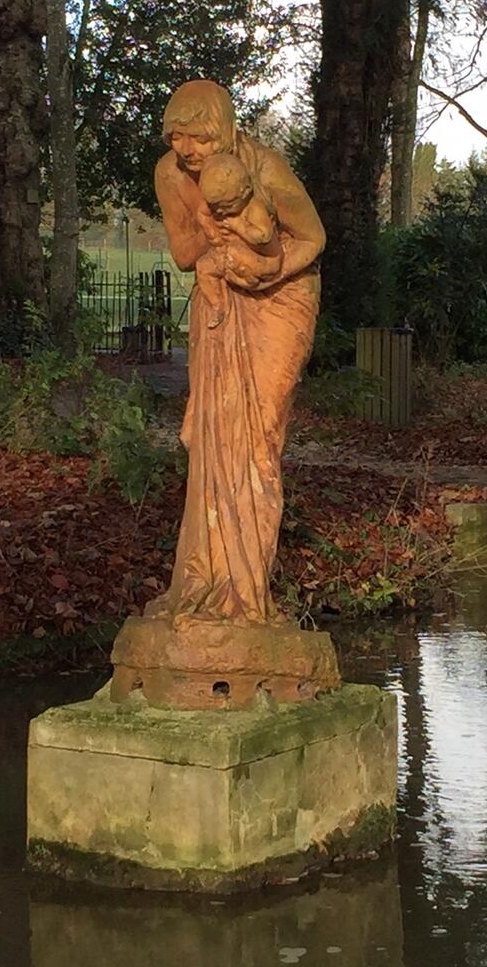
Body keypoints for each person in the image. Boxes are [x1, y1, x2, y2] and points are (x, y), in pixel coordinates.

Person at [148, 79, 326, 625]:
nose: (187, 150)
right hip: (219, 296)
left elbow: (313, 238)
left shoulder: (264, 168)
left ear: (223, 129)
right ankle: (208, 579)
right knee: (216, 437)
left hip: (281, 300)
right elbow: (182, 253)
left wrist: (264, 268)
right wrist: (215, 236)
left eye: (198, 138)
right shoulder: (170, 176)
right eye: (177, 138)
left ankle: (248, 589)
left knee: (258, 438)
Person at [192, 152, 283, 329]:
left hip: (264, 260)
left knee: (232, 254)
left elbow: (263, 236)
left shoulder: (254, 207)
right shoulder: (219, 205)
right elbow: (201, 214)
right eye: (216, 206)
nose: (221, 211)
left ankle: (250, 280)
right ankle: (218, 306)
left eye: (228, 206)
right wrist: (216, 239)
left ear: (246, 191)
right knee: (202, 266)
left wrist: (238, 226)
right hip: (231, 253)